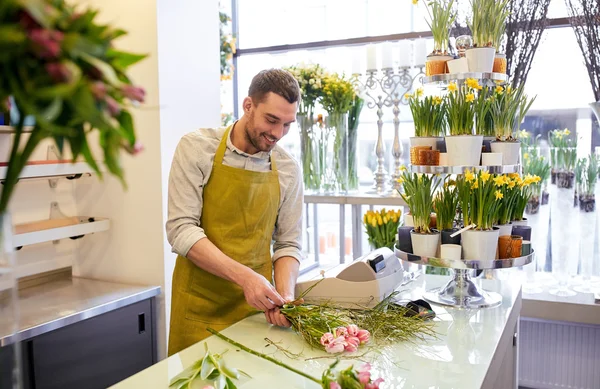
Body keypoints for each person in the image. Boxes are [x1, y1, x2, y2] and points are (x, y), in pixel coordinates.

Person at [166, 69, 304, 356]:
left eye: (288, 124)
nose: (278, 134)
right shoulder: (196, 148)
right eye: (271, 120)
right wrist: (246, 278)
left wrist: (285, 298)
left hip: (257, 310)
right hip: (198, 306)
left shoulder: (288, 168)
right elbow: (181, 230)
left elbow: (288, 243)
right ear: (248, 106)